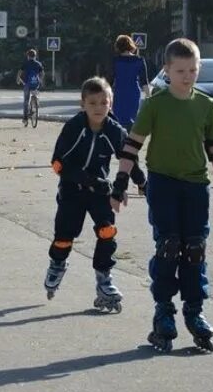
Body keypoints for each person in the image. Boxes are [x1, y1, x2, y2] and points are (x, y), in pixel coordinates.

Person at [111, 38, 213, 353]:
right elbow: (132, 145)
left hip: (195, 185)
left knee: (194, 248)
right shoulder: (154, 104)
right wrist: (121, 181)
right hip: (163, 184)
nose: (187, 76)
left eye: (193, 69)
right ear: (166, 70)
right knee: (168, 246)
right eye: (180, 70)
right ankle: (164, 310)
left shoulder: (205, 105)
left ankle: (195, 311)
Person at [44, 77, 147, 311]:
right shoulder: (73, 128)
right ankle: (57, 264)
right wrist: (88, 180)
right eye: (93, 103)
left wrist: (142, 182)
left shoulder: (114, 130)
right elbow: (57, 164)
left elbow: (128, 158)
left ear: (111, 103)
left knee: (107, 230)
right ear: (83, 105)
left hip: (100, 192)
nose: (99, 108)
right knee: (64, 236)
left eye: (104, 102)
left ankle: (104, 280)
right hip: (72, 190)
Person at [110, 34, 150, 131]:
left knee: (118, 119)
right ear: (131, 45)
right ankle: (129, 139)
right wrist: (149, 97)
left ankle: (120, 139)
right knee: (132, 118)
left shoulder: (115, 61)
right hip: (133, 92)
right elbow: (144, 81)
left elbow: (110, 81)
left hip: (120, 92)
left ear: (118, 46)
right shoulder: (140, 60)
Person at [17, 49, 44, 126]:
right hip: (35, 84)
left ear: (28, 56)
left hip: (27, 84)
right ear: (35, 56)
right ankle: (36, 104)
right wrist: (40, 80)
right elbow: (42, 73)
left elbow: (20, 72)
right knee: (35, 93)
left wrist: (18, 79)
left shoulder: (25, 63)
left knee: (26, 100)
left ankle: (25, 118)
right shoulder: (38, 64)